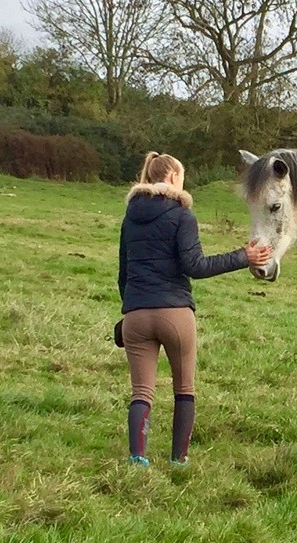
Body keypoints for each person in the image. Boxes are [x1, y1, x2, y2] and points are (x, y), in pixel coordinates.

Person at [118, 151, 272, 467]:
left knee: (141, 392)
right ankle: (178, 460)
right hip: (175, 313)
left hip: (135, 315)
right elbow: (195, 266)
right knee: (184, 389)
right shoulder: (182, 215)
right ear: (174, 177)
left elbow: (123, 273)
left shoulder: (130, 216)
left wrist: (129, 309)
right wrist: (244, 257)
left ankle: (137, 457)